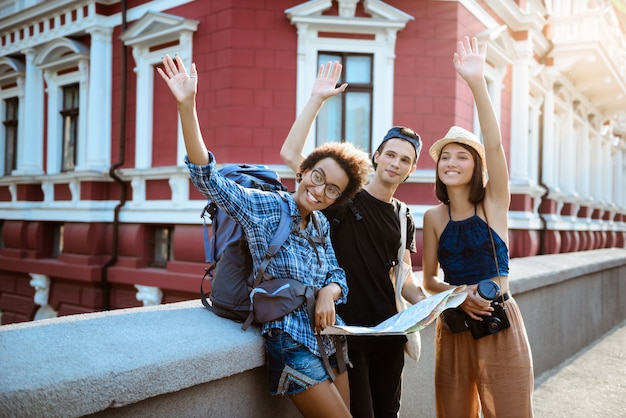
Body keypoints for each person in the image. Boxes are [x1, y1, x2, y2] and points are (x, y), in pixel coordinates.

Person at [157, 54, 372, 417]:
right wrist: (187, 106)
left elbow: (337, 274)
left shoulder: (320, 224)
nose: (319, 191)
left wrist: (328, 294)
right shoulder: (268, 209)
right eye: (317, 177)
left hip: (330, 340)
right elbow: (210, 180)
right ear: (303, 172)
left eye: (332, 190)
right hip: (290, 342)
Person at [280, 61, 427, 418]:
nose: (395, 162)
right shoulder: (345, 194)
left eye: (404, 159)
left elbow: (402, 272)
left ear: (411, 169)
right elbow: (290, 155)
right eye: (390, 154)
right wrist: (316, 100)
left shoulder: (404, 214)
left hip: (390, 334)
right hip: (346, 333)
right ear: (377, 156)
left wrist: (425, 303)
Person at [421, 36, 534, 417]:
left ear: (476, 166)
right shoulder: (434, 217)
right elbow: (428, 280)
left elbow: (496, 147)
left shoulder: (493, 205)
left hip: (499, 323)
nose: (451, 162)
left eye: (461, 156)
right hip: (454, 327)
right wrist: (459, 294)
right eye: (445, 157)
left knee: (510, 410)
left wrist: (476, 84)